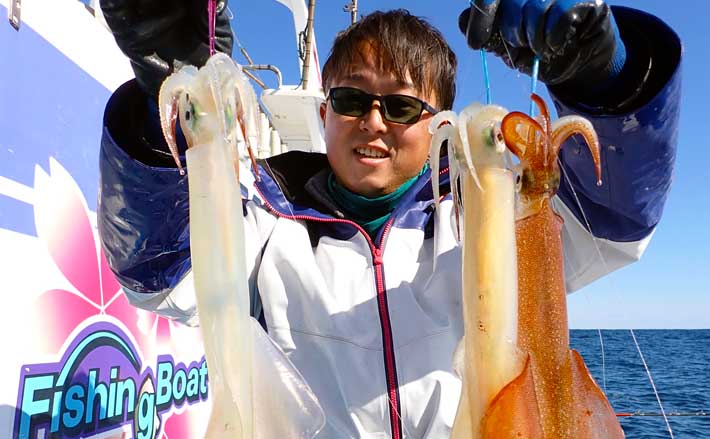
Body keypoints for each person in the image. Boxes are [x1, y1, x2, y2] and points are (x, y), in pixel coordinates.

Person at [98, 0, 680, 437]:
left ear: (438, 126)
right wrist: (166, 117)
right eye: (352, 101)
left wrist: (606, 76)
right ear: (325, 114)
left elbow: (615, 216)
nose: (374, 122)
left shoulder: (484, 220)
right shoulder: (264, 225)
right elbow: (156, 267)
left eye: (402, 106)